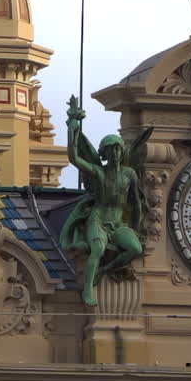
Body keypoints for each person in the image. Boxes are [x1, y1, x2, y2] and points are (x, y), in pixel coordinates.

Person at [60, 96, 151, 306]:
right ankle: (88, 290)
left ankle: (104, 271)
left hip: (119, 223)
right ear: (105, 153)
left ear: (122, 151)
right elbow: (74, 158)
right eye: (111, 150)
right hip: (98, 220)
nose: (116, 153)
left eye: (118, 149)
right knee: (98, 250)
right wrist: (72, 129)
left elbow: (136, 204)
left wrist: (136, 228)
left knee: (135, 249)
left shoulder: (129, 174)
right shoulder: (98, 173)